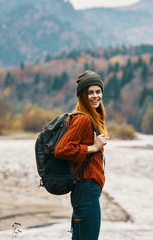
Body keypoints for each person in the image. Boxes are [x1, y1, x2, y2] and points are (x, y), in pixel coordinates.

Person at [55, 70, 108, 240]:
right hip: (86, 190)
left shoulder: (91, 118)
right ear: (82, 96)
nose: (95, 96)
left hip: (85, 190)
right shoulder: (83, 119)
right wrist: (92, 148)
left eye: (98, 91)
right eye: (90, 92)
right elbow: (62, 149)